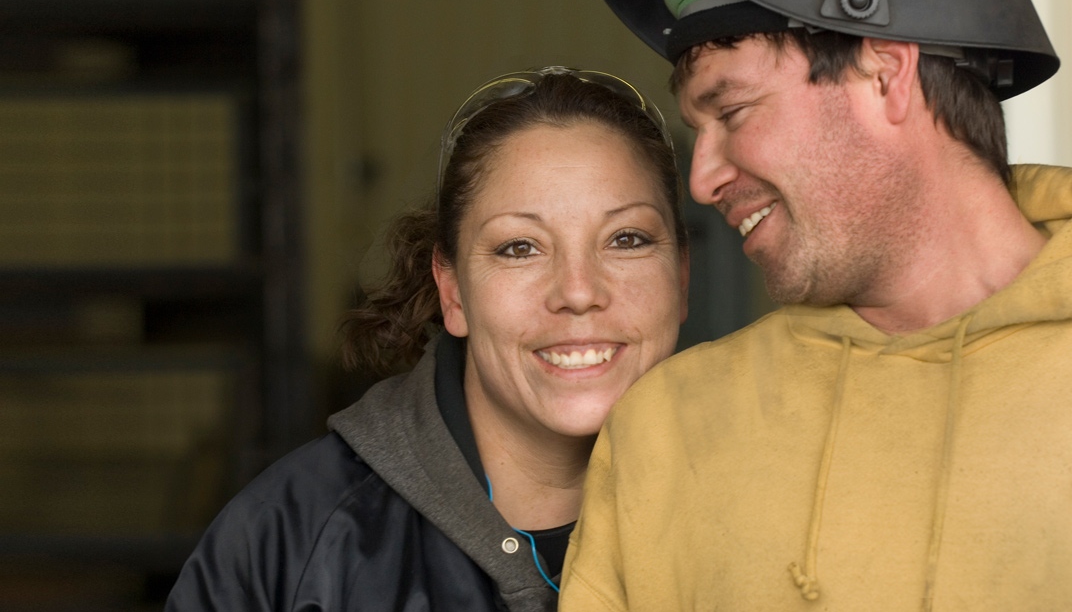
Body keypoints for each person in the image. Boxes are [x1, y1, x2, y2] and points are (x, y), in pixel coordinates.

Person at [560, 0, 1072, 610]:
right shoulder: (665, 432)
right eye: (700, 132)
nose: (701, 181)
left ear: (886, 73)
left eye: (731, 110)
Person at [164, 66, 689, 612]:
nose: (578, 292)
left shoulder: (768, 501)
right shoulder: (288, 542)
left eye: (626, 239)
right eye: (519, 247)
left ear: (680, 278)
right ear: (453, 292)